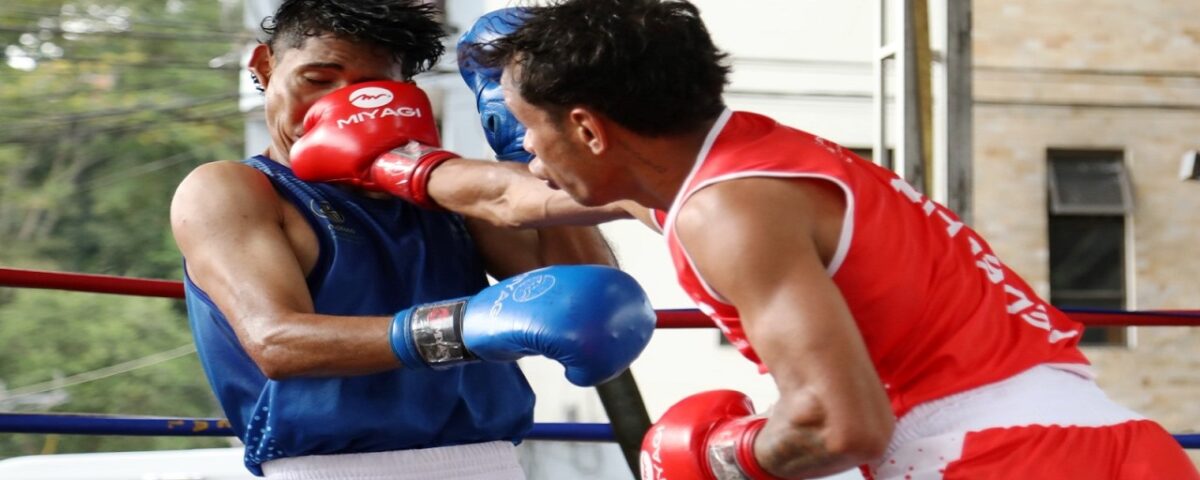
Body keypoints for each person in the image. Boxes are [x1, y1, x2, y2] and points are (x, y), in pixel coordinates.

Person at [420, 1, 1200, 479]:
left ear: (587, 127)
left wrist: (718, 456)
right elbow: (516, 198)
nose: (523, 149)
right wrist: (397, 167)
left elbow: (841, 424)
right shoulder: (731, 165)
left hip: (1002, 460)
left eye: (526, 127)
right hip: (1105, 441)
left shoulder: (726, 215)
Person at [168, 1, 655, 478]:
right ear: (264, 65)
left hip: (493, 460)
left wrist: (544, 154)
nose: (334, 109)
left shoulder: (440, 187)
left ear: (404, 91)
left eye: (369, 90)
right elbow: (278, 344)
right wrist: (461, 327)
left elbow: (586, 297)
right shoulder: (233, 190)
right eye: (317, 81)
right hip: (329, 468)